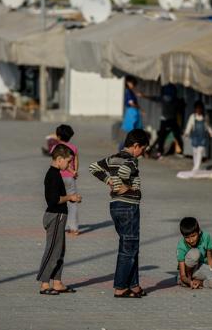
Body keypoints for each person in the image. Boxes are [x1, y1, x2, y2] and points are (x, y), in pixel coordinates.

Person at [89, 128, 149, 298]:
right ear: (136, 146)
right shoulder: (131, 160)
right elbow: (124, 172)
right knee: (128, 247)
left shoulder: (113, 158)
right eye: (142, 150)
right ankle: (121, 287)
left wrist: (108, 180)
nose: (141, 154)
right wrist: (128, 187)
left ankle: (134, 285)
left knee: (130, 246)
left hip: (115, 206)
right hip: (128, 206)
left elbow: (94, 167)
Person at [37, 144, 81, 295]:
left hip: (60, 216)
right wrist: (71, 197)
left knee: (60, 250)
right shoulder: (52, 175)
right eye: (68, 162)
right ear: (60, 159)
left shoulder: (56, 173)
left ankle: (57, 282)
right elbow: (53, 200)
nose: (69, 165)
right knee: (52, 250)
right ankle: (44, 283)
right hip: (55, 216)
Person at [176, 217, 212, 289]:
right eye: (187, 237)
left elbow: (210, 259)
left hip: (200, 268)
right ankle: (187, 280)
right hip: (186, 271)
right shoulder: (181, 245)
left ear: (199, 231)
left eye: (193, 236)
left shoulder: (206, 237)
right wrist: (189, 281)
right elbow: (182, 275)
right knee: (195, 253)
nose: (191, 240)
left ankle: (199, 282)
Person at [50, 125, 80, 236]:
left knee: (58, 201)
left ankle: (58, 226)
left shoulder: (55, 148)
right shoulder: (73, 147)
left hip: (58, 177)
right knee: (72, 203)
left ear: (58, 136)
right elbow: (76, 161)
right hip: (70, 178)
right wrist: (75, 172)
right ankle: (74, 228)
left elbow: (54, 162)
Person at [153, 84, 184, 158]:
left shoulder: (168, 95)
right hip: (169, 119)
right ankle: (160, 151)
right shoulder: (170, 95)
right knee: (169, 135)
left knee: (164, 136)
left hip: (169, 119)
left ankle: (160, 151)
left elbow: (154, 98)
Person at [183, 100, 212, 171]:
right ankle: (195, 165)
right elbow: (189, 125)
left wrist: (211, 132)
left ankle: (197, 167)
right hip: (195, 137)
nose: (198, 110)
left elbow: (208, 126)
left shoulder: (205, 117)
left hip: (202, 137)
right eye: (197, 108)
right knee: (195, 151)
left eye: (200, 108)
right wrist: (186, 133)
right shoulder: (192, 117)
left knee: (200, 151)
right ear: (195, 109)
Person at [120, 77, 143, 149]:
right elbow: (131, 103)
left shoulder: (130, 91)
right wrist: (140, 108)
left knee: (133, 132)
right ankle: (123, 147)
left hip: (133, 112)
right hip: (132, 112)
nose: (132, 85)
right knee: (131, 132)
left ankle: (127, 148)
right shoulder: (128, 92)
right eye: (131, 83)